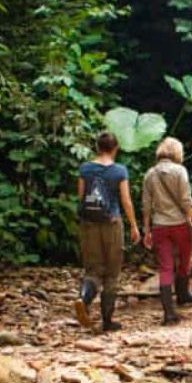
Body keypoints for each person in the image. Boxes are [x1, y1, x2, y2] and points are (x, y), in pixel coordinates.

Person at [74, 132, 141, 332]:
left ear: (97, 147)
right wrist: (134, 225)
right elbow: (126, 200)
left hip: (89, 223)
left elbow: (81, 196)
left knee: (93, 269)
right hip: (112, 223)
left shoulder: (85, 168)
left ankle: (83, 300)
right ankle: (107, 320)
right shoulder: (119, 171)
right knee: (112, 273)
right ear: (115, 148)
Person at [142, 138, 192, 325]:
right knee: (184, 260)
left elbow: (146, 205)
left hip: (159, 226)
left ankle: (169, 313)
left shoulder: (150, 174)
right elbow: (187, 201)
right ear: (177, 152)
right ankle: (183, 295)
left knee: (165, 267)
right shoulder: (180, 171)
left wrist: (147, 231)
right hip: (179, 224)